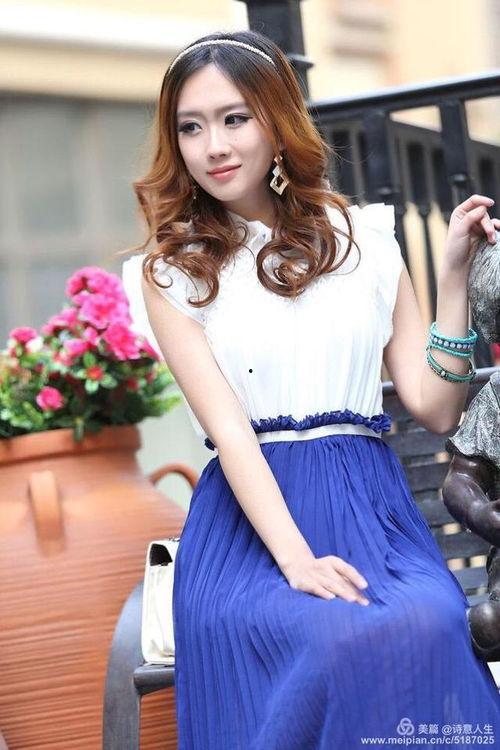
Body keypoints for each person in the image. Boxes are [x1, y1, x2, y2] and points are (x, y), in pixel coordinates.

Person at [121, 28, 500, 750]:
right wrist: (296, 561)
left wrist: (452, 278)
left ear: (277, 120)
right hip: (251, 532)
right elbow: (230, 434)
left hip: (371, 513)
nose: (213, 145)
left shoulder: (364, 240)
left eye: (235, 118)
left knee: (427, 623)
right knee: (333, 639)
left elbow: (434, 405)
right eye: (191, 127)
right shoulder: (174, 271)